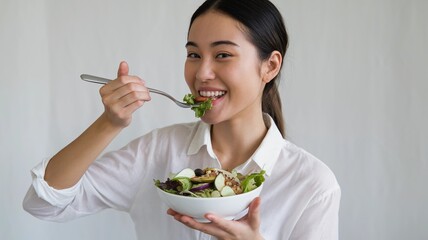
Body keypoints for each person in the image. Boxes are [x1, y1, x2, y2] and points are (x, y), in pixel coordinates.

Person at [23, 0, 341, 239]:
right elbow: (44, 202)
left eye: (222, 55)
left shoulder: (311, 184)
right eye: (193, 54)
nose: (202, 73)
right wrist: (109, 124)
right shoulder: (158, 151)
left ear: (269, 66)